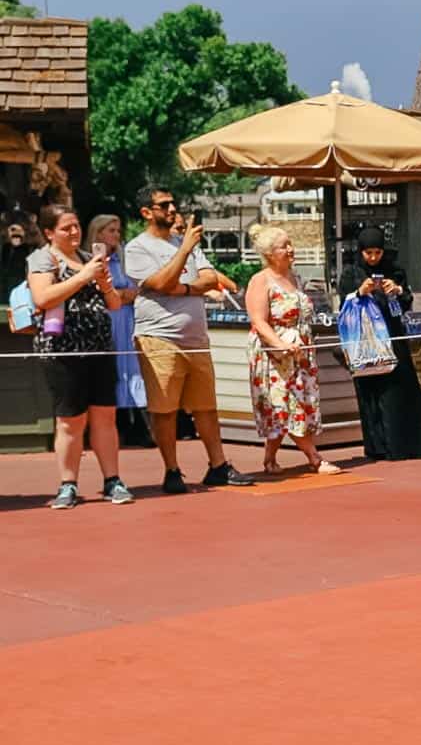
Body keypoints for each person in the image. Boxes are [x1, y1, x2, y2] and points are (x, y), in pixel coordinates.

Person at [123, 186, 253, 493]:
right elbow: (158, 282)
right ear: (146, 212)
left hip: (195, 337)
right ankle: (172, 470)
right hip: (159, 338)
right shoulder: (137, 248)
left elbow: (210, 279)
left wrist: (181, 288)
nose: (171, 209)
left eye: (172, 203)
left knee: (206, 406)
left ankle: (218, 466)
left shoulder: (189, 242)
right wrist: (182, 256)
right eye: (163, 205)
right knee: (165, 409)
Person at [27, 205, 132, 508]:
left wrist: (103, 284)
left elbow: (113, 304)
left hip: (99, 346)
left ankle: (112, 480)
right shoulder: (42, 259)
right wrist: (84, 276)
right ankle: (68, 484)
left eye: (76, 226)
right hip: (63, 350)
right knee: (70, 420)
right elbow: (43, 297)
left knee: (105, 416)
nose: (74, 232)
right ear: (49, 233)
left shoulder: (89, 258)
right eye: (65, 228)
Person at [337, 224, 421, 460]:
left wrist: (396, 290)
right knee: (371, 392)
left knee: (400, 390)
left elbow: (406, 303)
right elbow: (343, 304)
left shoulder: (394, 271)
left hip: (393, 337)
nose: (374, 258)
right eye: (368, 253)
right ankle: (378, 446)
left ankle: (406, 445)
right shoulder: (351, 273)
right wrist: (359, 293)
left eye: (378, 252)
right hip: (365, 341)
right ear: (361, 251)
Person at [245, 227, 340, 475]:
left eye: (290, 244)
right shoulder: (260, 280)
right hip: (274, 354)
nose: (290, 250)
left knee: (297, 403)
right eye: (283, 246)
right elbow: (259, 321)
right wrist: (280, 344)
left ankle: (269, 458)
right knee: (284, 404)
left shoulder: (295, 278)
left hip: (300, 351)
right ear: (269, 253)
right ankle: (314, 458)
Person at [86, 213, 150, 442]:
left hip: (127, 320)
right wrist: (120, 295)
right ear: (99, 233)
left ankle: (137, 424)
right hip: (106, 320)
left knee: (132, 367)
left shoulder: (124, 259)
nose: (116, 235)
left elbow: (136, 289)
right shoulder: (89, 260)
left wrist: (120, 295)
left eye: (118, 230)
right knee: (109, 367)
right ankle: (114, 425)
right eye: (111, 230)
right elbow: (98, 294)